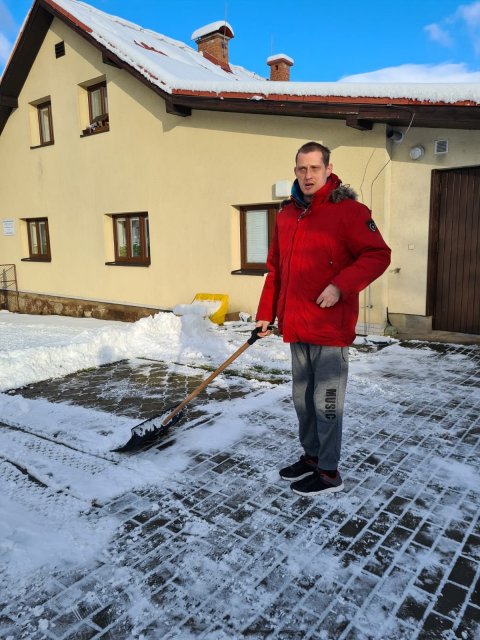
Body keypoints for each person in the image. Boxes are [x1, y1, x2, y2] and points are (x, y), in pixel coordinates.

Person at [255, 141, 391, 497]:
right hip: (297, 326)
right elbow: (276, 269)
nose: (308, 175)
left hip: (330, 328)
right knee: (302, 400)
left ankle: (329, 472)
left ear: (328, 170)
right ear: (295, 171)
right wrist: (266, 313)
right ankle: (312, 457)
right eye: (302, 169)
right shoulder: (287, 215)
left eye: (315, 168)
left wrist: (339, 286)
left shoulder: (349, 211)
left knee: (326, 403)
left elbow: (378, 254)